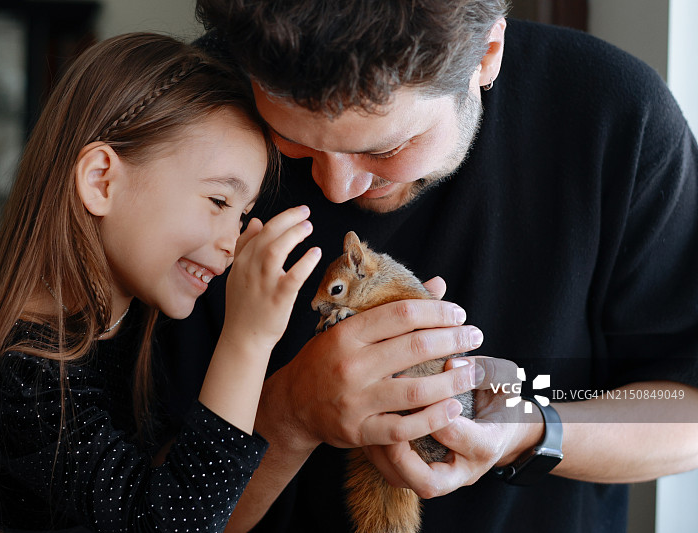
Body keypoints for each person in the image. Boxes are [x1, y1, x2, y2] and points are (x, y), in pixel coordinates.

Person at [154, 1, 698, 532]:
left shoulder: (614, 115)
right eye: (293, 140)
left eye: (387, 148)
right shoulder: (191, 118)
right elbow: (142, 507)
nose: (336, 188)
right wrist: (291, 415)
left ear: (486, 56)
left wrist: (531, 428)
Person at [0, 32, 324, 532]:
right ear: (102, 180)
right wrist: (248, 339)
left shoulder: (131, 323)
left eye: (243, 215)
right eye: (218, 202)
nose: (233, 242)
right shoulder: (21, 376)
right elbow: (171, 523)